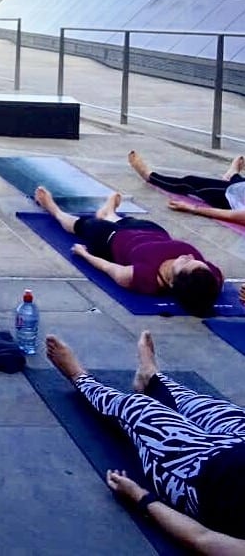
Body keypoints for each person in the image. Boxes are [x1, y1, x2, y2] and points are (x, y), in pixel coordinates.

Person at [46, 330, 245, 550]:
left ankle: (79, 377)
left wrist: (141, 497)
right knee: (208, 408)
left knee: (140, 409)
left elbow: (201, 538)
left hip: (199, 471)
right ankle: (150, 376)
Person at [33, 185, 224, 316]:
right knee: (118, 219)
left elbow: (108, 268)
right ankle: (108, 213)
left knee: (80, 225)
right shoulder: (211, 277)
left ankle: (53, 209)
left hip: (111, 239)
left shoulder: (142, 277)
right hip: (151, 231)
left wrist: (85, 254)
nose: (188, 256)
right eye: (195, 260)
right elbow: (208, 289)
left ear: (173, 282)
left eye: (186, 262)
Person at [130, 150, 245, 225]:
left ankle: (150, 176)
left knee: (189, 182)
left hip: (232, 196)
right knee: (238, 183)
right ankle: (233, 174)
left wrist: (192, 208)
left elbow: (232, 215)